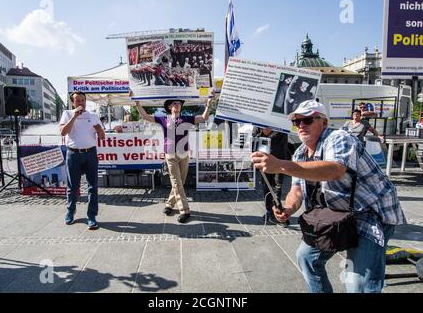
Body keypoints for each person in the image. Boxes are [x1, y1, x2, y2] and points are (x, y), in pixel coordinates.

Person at [251, 100, 406, 293]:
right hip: (336, 215)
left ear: (323, 122)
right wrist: (288, 208)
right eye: (297, 122)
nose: (301, 126)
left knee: (359, 285)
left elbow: (334, 169)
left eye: (307, 120)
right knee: (307, 258)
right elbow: (296, 191)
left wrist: (280, 165)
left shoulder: (338, 137)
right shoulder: (300, 153)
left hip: (369, 214)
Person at [134, 95, 213, 223]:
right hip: (170, 154)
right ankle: (185, 211)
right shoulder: (163, 119)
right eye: (175, 103)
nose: (177, 105)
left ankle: (169, 204)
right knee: (176, 182)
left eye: (179, 103)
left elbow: (204, 117)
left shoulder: (187, 118)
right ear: (170, 107)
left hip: (184, 154)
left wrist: (208, 105)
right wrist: (137, 104)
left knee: (179, 182)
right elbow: (146, 117)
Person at [59, 91, 106, 230]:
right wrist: (74, 116)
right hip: (73, 154)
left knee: (93, 187)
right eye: (77, 100)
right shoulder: (67, 114)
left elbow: (102, 137)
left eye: (83, 100)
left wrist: (99, 131)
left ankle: (91, 216)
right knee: (73, 187)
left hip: (90, 153)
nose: (81, 103)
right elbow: (63, 132)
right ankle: (70, 211)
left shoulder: (93, 116)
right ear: (73, 102)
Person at [254, 127, 289, 227]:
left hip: (279, 159)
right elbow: (254, 137)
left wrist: (271, 132)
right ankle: (269, 211)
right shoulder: (259, 124)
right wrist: (263, 133)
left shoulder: (279, 120)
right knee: (266, 186)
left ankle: (278, 212)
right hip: (264, 159)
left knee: (277, 187)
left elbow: (285, 132)